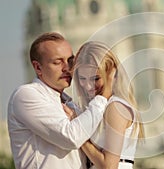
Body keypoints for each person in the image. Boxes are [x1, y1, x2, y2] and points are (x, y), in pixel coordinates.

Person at [7, 32, 114, 169]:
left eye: (70, 61)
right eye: (57, 62)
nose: (67, 68)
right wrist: (102, 97)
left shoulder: (71, 104)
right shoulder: (25, 95)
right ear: (38, 67)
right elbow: (71, 137)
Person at [70, 41, 144, 169]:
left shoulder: (116, 107)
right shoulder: (98, 108)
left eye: (95, 78)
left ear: (112, 74)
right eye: (82, 79)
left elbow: (109, 166)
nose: (88, 86)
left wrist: (78, 135)